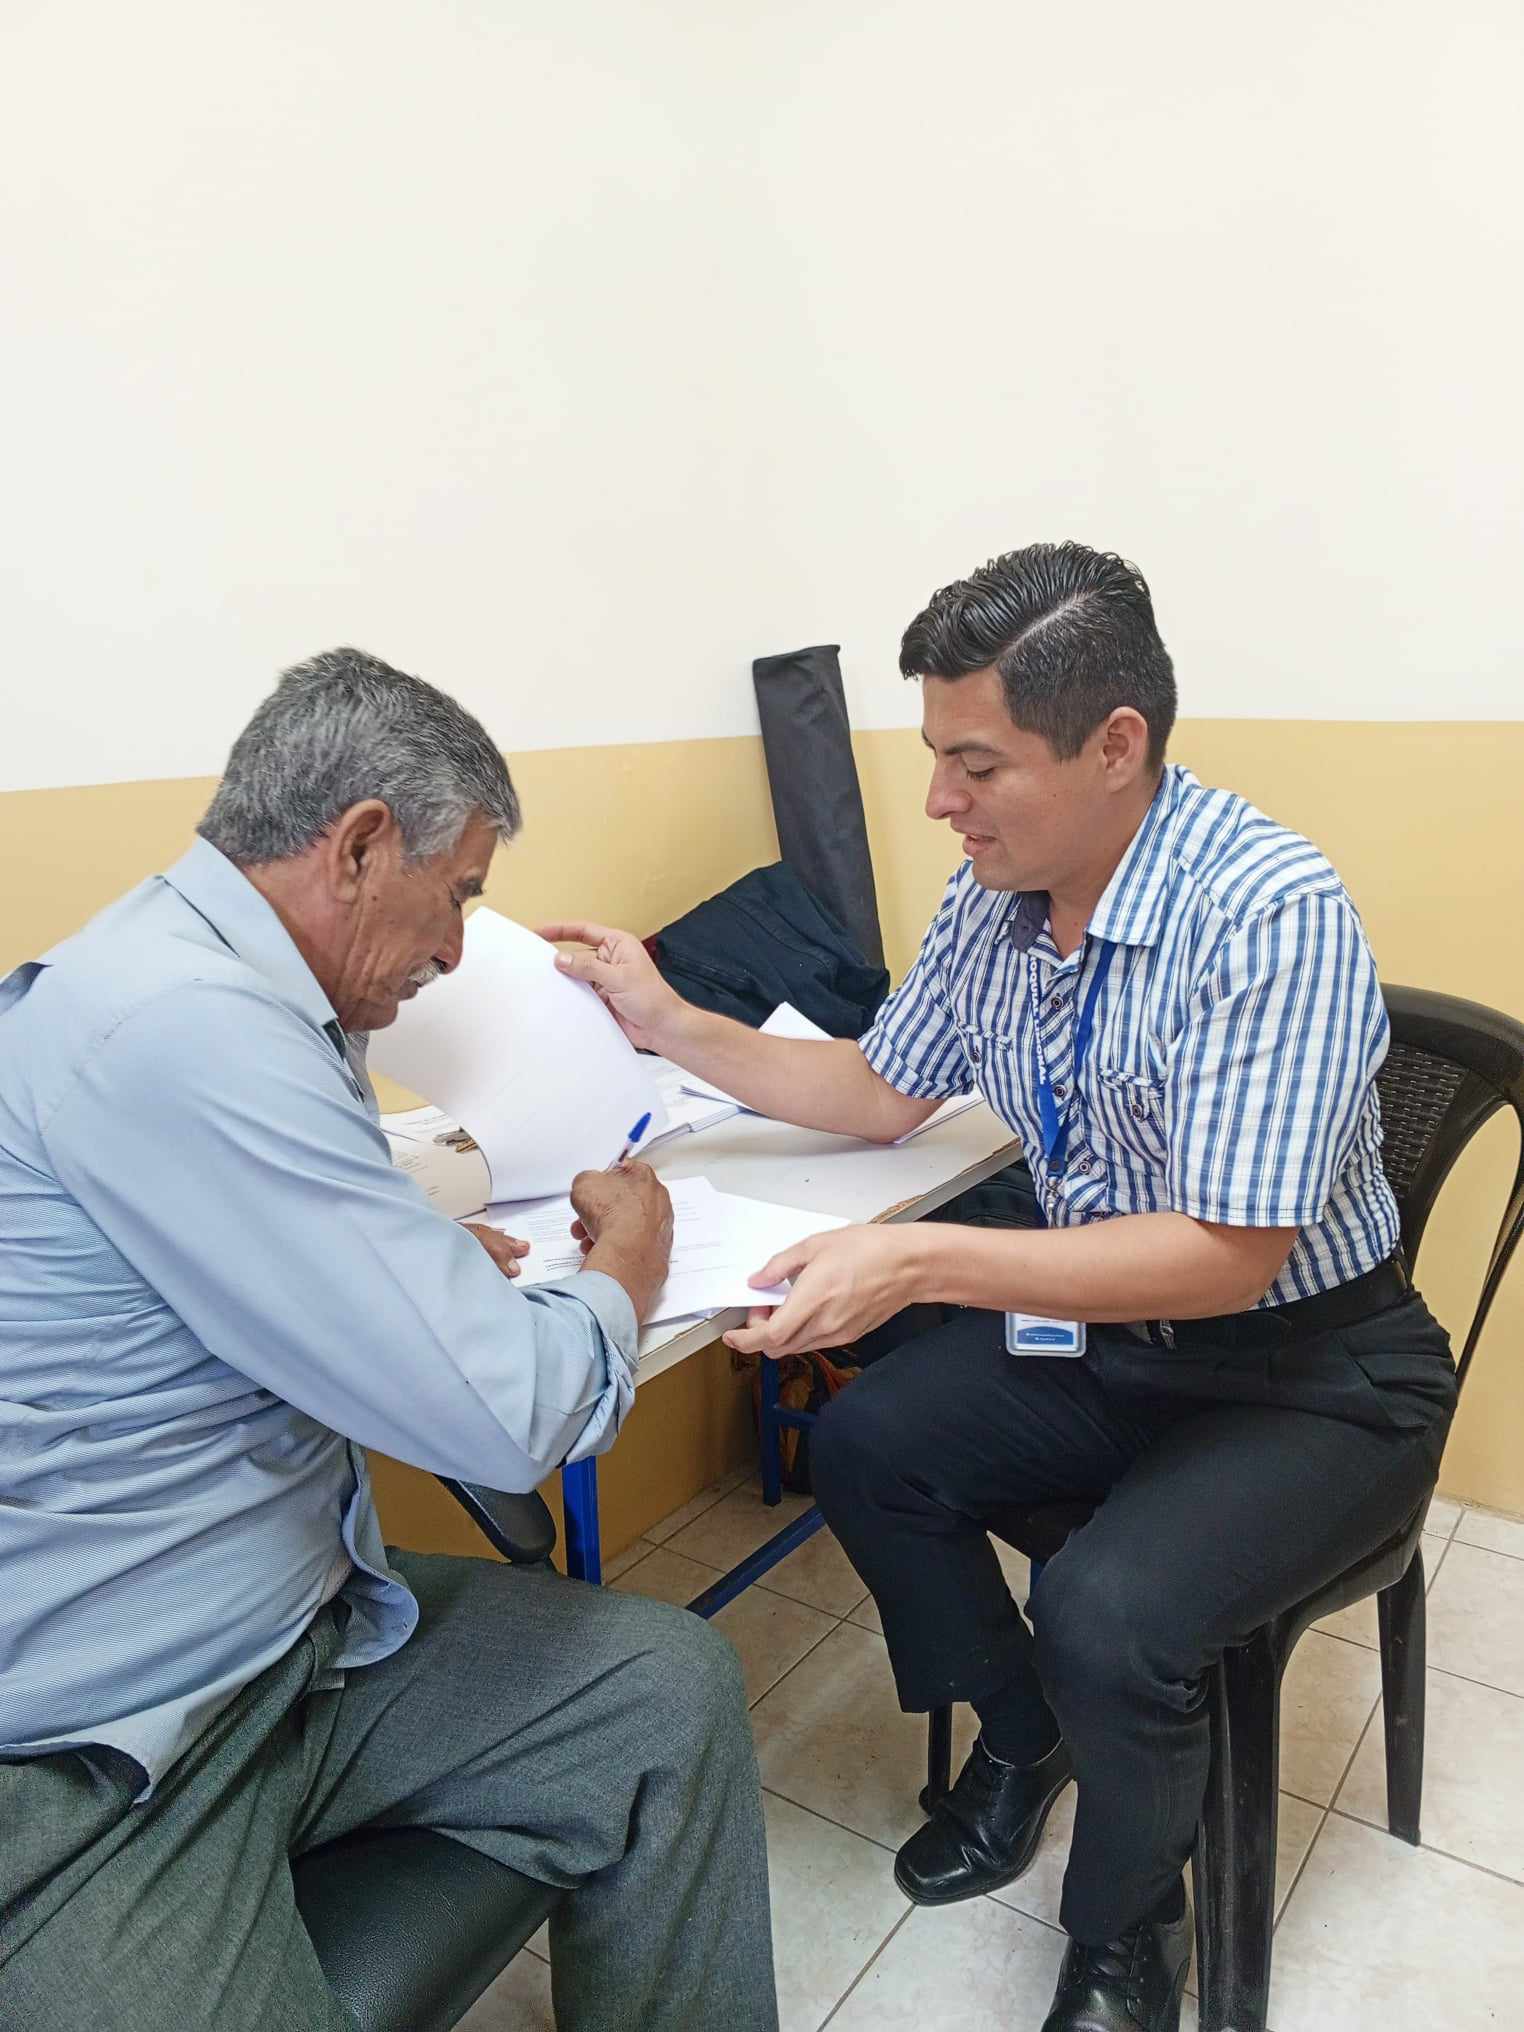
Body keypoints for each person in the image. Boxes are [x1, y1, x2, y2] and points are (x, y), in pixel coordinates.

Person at [544, 543, 1457, 2032]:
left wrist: (919, 1258)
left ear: (1116, 746)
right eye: (933, 758)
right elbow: (879, 1089)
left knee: (1108, 1609)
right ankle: (1028, 1734)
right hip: (1116, 1336)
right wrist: (667, 1017)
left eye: (975, 765)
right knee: (868, 1443)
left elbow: (1229, 1253)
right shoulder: (1000, 896)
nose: (938, 802)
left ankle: (1125, 1940)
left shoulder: (1267, 908)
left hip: (1315, 1373)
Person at [0, 649, 779, 2032]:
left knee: (666, 1692)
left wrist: (389, 1270)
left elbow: (232, 1262)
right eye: (460, 893)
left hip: (302, 1641)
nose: (457, 951)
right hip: (107, 1749)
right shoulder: (182, 1027)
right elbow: (513, 1418)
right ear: (361, 846)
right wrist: (628, 1260)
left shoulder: (230, 991)